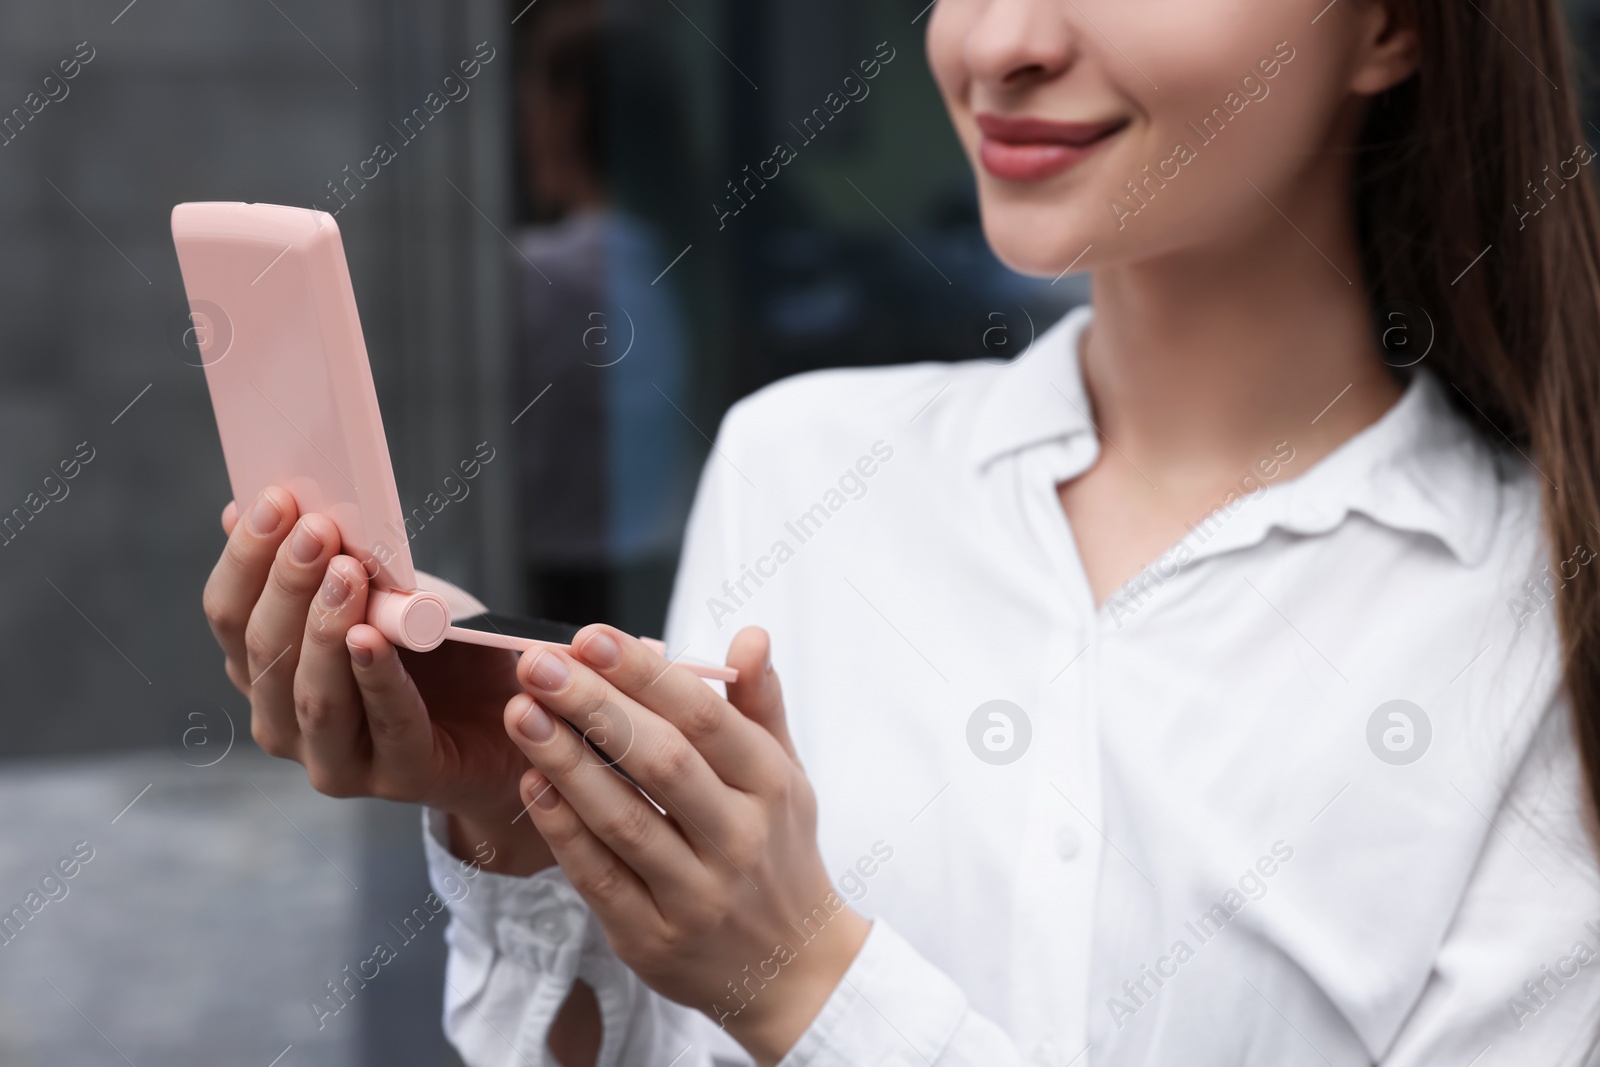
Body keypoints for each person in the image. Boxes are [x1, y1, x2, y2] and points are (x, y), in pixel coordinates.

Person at [201, 1, 1600, 1064]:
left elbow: (778, 998)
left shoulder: (1534, 608)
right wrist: (520, 822)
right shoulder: (804, 462)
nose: (998, 42)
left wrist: (804, 979)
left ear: (1397, 26)